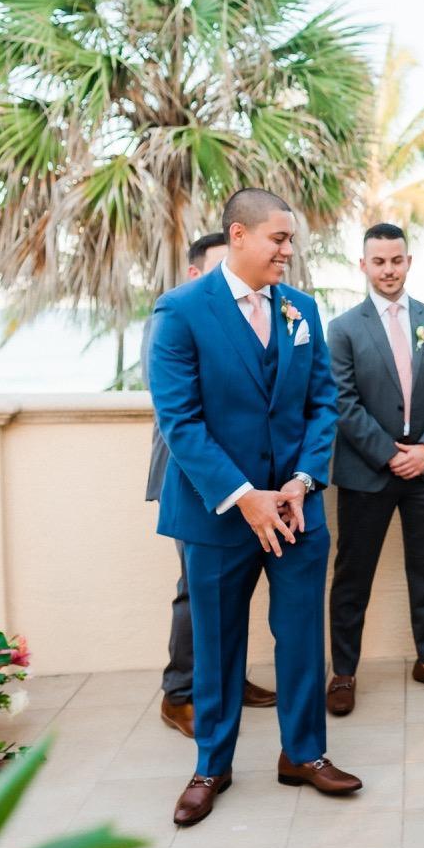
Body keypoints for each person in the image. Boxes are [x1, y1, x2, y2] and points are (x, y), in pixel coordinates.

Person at [149, 189, 361, 826]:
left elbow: (322, 402)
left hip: (296, 510)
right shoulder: (180, 310)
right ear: (238, 235)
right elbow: (180, 421)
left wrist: (301, 482)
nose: (288, 251)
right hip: (218, 515)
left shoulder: (302, 309)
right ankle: (211, 766)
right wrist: (245, 498)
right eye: (279, 238)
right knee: (217, 646)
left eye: (291, 240)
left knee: (301, 637)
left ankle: (305, 754)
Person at [326, 223, 424, 714]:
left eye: (396, 260)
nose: (388, 270)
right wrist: (389, 454)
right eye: (379, 261)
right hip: (367, 473)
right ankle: (343, 673)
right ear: (363, 265)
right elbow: (342, 401)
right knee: (353, 576)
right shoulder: (343, 328)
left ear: (408, 262)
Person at [142, 232, 276, 737]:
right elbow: (179, 408)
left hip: (245, 479)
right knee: (194, 590)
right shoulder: (173, 315)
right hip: (191, 477)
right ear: (197, 273)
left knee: (230, 588)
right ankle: (179, 694)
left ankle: (226, 679)